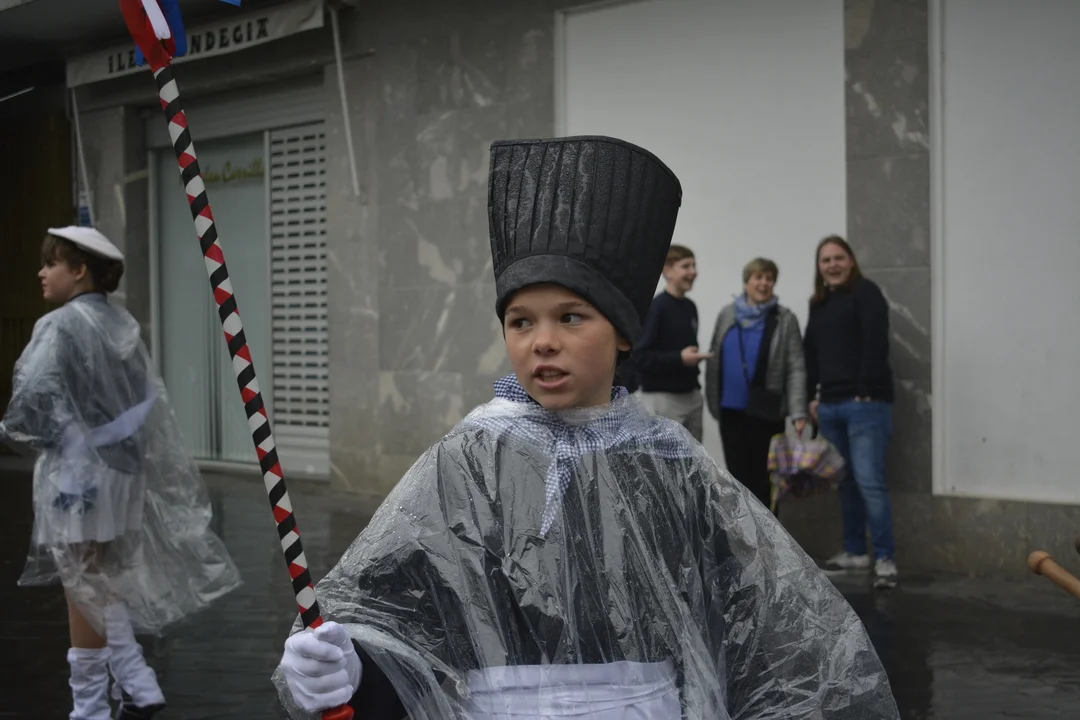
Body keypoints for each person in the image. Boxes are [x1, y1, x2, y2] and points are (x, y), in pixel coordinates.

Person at [274, 137, 900, 719]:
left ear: (623, 333)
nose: (542, 341)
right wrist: (345, 665)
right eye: (521, 321)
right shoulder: (464, 461)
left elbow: (751, 625)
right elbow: (399, 612)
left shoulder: (672, 464)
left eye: (570, 317)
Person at [0, 227, 242, 720]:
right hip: (122, 473)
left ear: (79, 270)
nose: (41, 273)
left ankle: (90, 706)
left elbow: (31, 396)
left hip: (78, 476)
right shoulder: (121, 323)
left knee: (83, 585)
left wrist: (56, 435)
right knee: (101, 578)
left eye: (51, 263)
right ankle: (137, 681)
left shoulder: (60, 324)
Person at [803, 235, 898, 589]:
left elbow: (876, 341)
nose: (832, 265)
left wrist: (864, 390)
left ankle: (885, 557)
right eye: (825, 260)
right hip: (828, 405)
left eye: (838, 258)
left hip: (865, 405)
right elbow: (811, 352)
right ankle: (856, 551)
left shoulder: (866, 293)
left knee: (870, 481)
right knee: (845, 481)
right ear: (819, 267)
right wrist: (812, 397)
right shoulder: (819, 303)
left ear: (851, 261)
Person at [704, 258, 807, 511]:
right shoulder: (727, 314)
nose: (764, 283)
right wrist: (713, 400)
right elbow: (715, 356)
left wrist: (798, 410)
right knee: (737, 480)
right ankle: (742, 533)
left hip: (766, 412)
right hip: (730, 411)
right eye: (758, 277)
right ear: (746, 282)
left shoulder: (785, 318)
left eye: (769, 278)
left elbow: (796, 366)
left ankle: (768, 535)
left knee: (765, 482)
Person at [631, 245, 711, 440]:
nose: (693, 272)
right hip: (662, 399)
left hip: (691, 395)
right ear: (667, 270)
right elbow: (640, 357)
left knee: (695, 458)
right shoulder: (656, 308)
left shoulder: (690, 306)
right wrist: (680, 359)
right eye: (686, 266)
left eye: (694, 265)